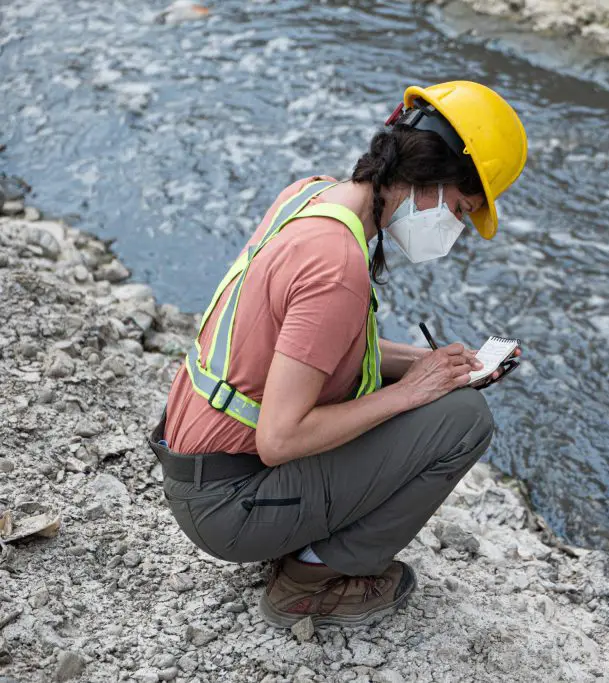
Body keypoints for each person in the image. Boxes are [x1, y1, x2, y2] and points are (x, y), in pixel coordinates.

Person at [147, 81, 528, 627]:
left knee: (433, 396)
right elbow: (280, 440)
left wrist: (426, 367)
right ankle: (308, 580)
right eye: (461, 209)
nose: (457, 228)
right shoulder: (336, 268)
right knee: (464, 420)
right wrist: (408, 394)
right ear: (431, 179)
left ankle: (301, 537)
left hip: (200, 471)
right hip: (228, 508)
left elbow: (308, 347)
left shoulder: (311, 197)